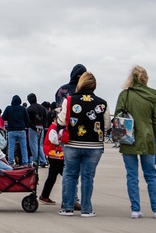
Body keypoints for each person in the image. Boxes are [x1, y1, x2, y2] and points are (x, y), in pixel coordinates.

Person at [114, 66, 156, 219]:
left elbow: (118, 116)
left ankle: (135, 209)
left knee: (132, 176)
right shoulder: (151, 97)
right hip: (147, 139)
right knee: (151, 175)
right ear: (145, 78)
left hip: (128, 138)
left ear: (131, 78)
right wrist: (150, 132)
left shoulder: (125, 94)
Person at [58, 71, 107, 218]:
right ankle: (86, 209)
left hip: (73, 143)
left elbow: (61, 121)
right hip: (94, 146)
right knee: (88, 176)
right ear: (94, 85)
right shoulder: (102, 103)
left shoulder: (70, 100)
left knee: (70, 174)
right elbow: (108, 125)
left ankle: (68, 208)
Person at [39, 118, 65, 205]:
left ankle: (45, 195)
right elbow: (53, 140)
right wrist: (62, 141)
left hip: (58, 155)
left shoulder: (55, 127)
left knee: (56, 176)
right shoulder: (54, 127)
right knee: (54, 176)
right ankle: (44, 195)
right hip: (55, 155)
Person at [3, 95, 30, 166]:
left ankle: (11, 162)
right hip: (21, 130)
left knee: (11, 147)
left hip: (11, 130)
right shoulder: (23, 109)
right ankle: (25, 162)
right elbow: (27, 119)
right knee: (23, 147)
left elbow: (3, 117)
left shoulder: (8, 108)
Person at [26, 93, 48, 167]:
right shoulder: (42, 108)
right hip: (41, 127)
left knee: (33, 145)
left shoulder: (29, 109)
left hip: (33, 128)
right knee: (40, 145)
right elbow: (45, 119)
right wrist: (43, 127)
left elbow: (28, 120)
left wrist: (34, 127)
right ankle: (43, 160)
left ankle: (35, 161)